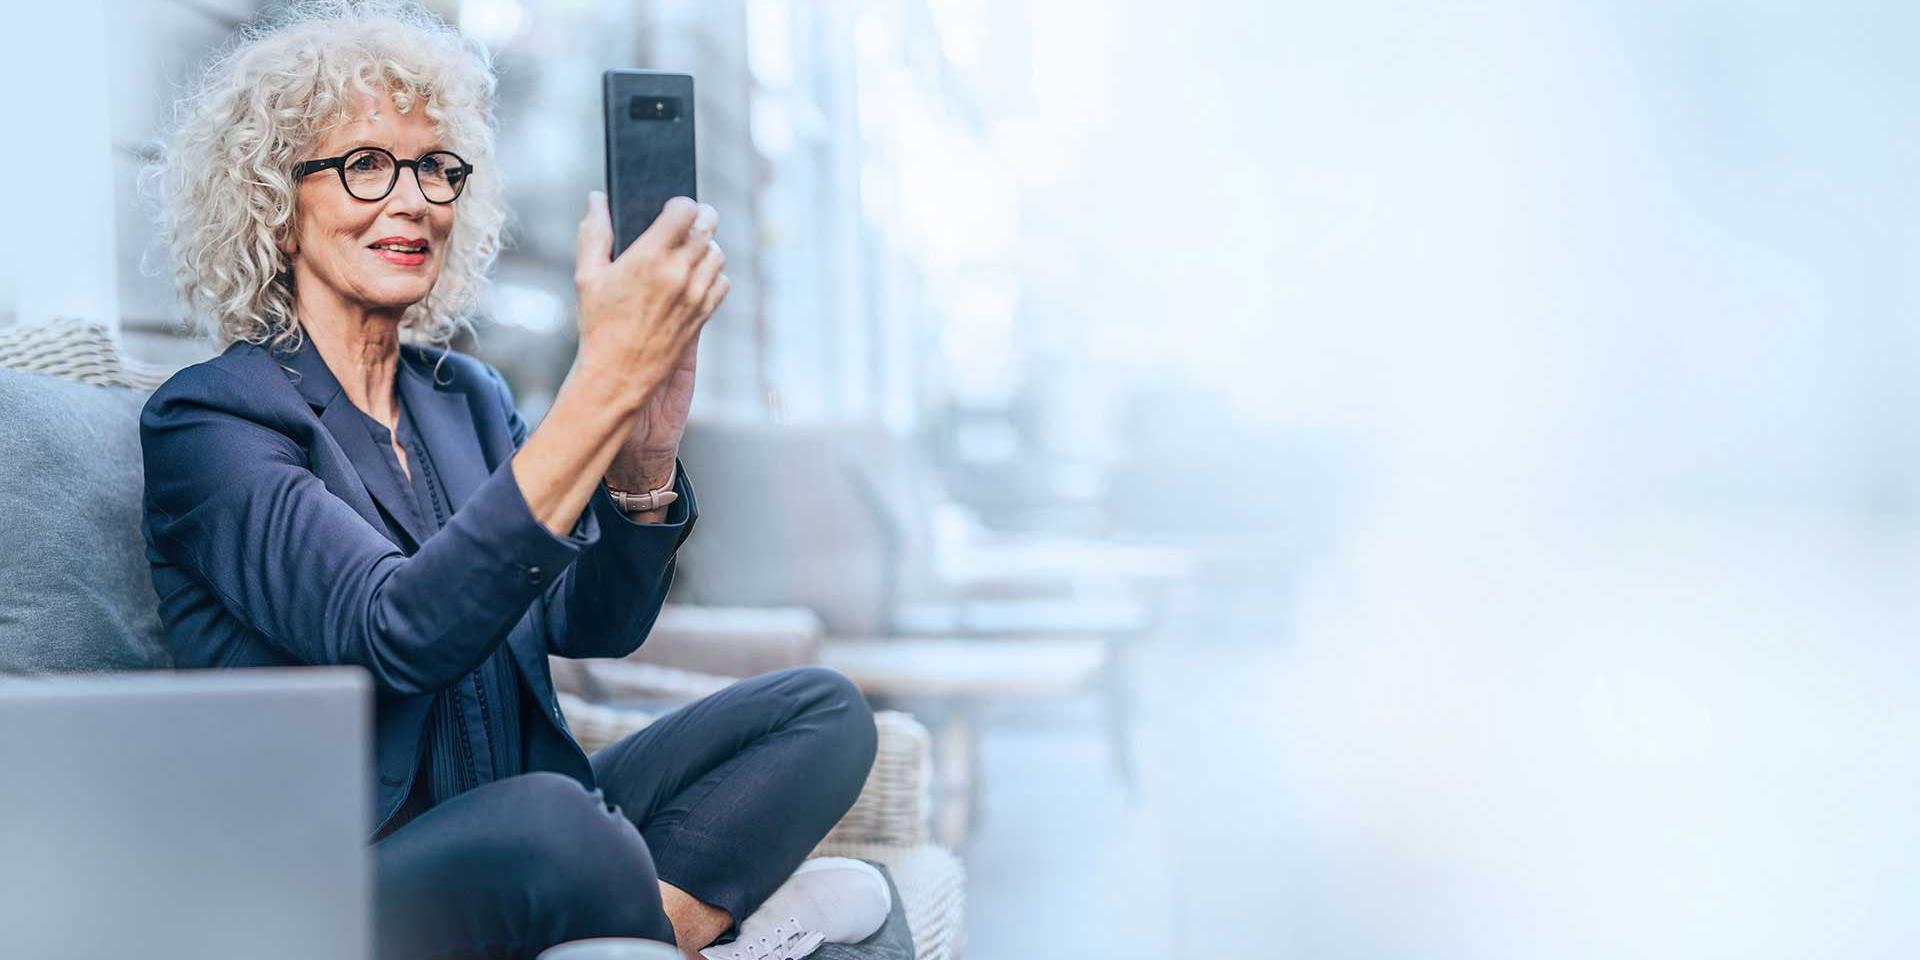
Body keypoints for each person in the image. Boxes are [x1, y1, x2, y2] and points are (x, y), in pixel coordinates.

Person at [139, 3, 885, 958]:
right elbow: (397, 631)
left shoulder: (468, 399)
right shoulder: (213, 421)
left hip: (534, 816)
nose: (413, 199)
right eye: (366, 163)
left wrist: (642, 452)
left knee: (820, 710)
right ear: (274, 200)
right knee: (557, 825)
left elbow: (592, 624)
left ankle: (653, 929)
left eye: (436, 168)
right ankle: (699, 928)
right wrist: (599, 379)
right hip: (347, 878)